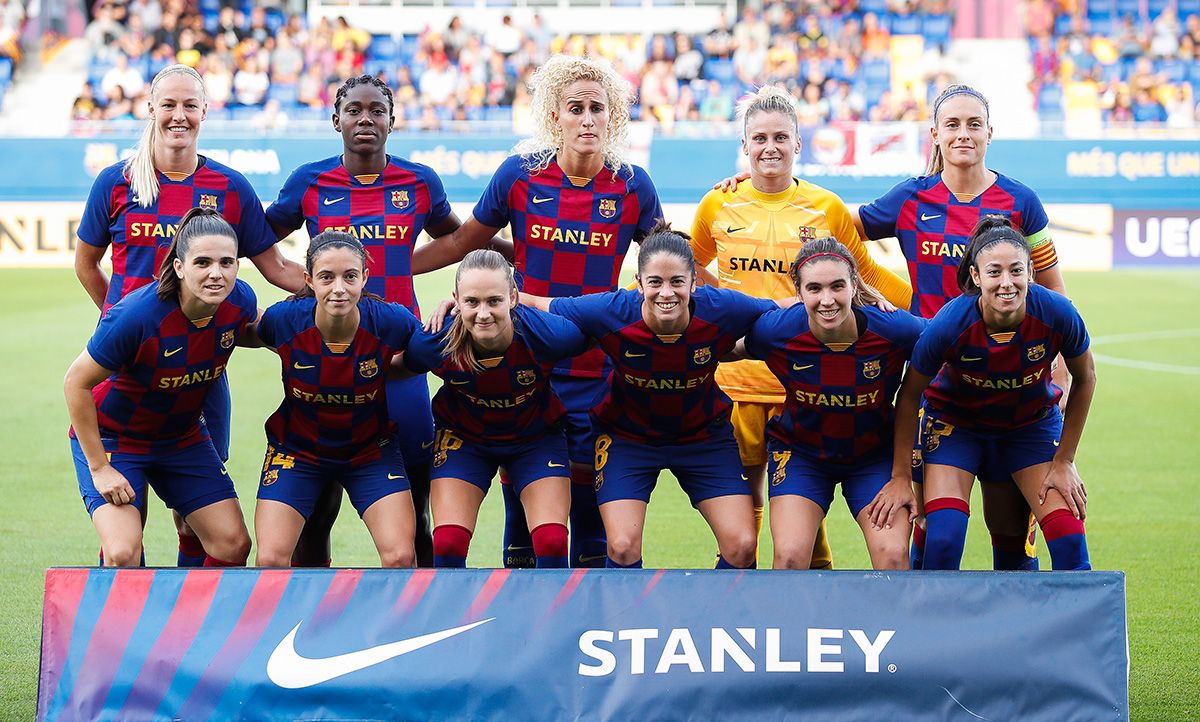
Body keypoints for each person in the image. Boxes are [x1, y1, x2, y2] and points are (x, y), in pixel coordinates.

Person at [413, 55, 663, 569]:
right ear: (556, 116)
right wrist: (389, 272)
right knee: (528, 508)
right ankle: (525, 621)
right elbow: (465, 242)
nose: (588, 118)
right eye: (576, 108)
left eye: (599, 108)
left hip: (599, 370)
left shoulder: (633, 185)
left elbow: (669, 266)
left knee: (592, 507)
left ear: (614, 117)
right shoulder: (520, 176)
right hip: (526, 364)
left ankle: (594, 624)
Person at [75, 64, 303, 567]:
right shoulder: (115, 183)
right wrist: (123, 325)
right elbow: (87, 264)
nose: (179, 115)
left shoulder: (230, 186)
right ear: (151, 109)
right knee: (123, 530)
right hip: (129, 370)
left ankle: (189, 620)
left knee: (195, 519)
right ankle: (119, 623)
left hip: (198, 373)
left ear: (204, 111)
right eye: (169, 105)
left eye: (190, 105)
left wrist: (339, 290)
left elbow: (278, 267)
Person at [694, 85, 913, 569]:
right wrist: (723, 304)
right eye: (758, 138)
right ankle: (741, 582)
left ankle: (813, 580)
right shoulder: (717, 204)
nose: (769, 147)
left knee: (806, 480)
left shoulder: (826, 207)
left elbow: (869, 277)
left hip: (808, 375)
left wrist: (934, 310)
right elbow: (688, 267)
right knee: (746, 496)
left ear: (798, 143)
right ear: (744, 145)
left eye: (780, 137)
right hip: (741, 379)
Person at [854, 83, 1071, 571]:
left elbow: (1054, 291)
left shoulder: (1021, 202)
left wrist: (1058, 363)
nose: (963, 134)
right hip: (938, 387)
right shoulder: (911, 198)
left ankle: (1014, 635)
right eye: (952, 125)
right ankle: (927, 636)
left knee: (1011, 532)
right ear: (934, 134)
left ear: (990, 132)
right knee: (936, 531)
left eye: (974, 124)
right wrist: (879, 291)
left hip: (1014, 387)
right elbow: (841, 230)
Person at [266, 74, 466, 568]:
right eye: (354, 110)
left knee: (416, 506)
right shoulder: (309, 181)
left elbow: (456, 239)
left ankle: (418, 615)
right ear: (336, 120)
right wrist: (300, 281)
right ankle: (313, 621)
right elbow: (256, 239)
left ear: (392, 122)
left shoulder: (420, 181)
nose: (365, 119)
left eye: (377, 110)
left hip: (401, 360)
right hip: (329, 355)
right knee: (319, 507)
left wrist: (510, 256)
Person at [522, 224, 778, 569]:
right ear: (639, 283)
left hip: (704, 438)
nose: (666, 293)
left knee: (743, 546)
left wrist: (856, 298)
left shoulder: (724, 308)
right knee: (623, 547)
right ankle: (626, 620)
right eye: (655, 282)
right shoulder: (611, 309)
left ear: (694, 282)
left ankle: (716, 617)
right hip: (628, 439)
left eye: (677, 282)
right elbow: (538, 303)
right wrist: (463, 299)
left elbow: (785, 305)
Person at [873, 216, 1095, 571]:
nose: (1006, 283)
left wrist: (1065, 460)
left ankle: (1041, 625)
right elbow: (910, 393)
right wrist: (902, 475)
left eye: (1016, 271)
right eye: (994, 272)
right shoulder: (950, 323)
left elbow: (1087, 377)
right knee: (943, 539)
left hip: (1029, 429)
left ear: (1030, 273)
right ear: (976, 277)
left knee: (1068, 538)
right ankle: (924, 618)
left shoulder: (1058, 313)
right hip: (956, 428)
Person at [64, 208, 257, 568]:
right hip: (115, 438)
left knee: (233, 546)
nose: (216, 273)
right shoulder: (137, 315)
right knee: (123, 552)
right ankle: (122, 614)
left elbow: (266, 332)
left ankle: (193, 616)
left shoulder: (239, 302)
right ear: (180, 267)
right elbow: (76, 382)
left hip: (180, 438)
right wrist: (100, 468)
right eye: (202, 262)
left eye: (226, 262)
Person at [738, 238, 924, 569]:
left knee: (893, 557)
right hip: (802, 454)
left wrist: (902, 476)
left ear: (854, 285)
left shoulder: (896, 330)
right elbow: (719, 348)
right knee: (790, 557)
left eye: (837, 286)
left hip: (873, 458)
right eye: (814, 288)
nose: (827, 300)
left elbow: (950, 347)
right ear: (799, 291)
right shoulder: (776, 331)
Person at [404, 250, 591, 569]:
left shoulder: (548, 333)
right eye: (472, 302)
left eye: (494, 301)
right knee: (448, 544)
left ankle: (551, 617)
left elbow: (604, 325)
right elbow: (397, 365)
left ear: (514, 297)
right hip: (465, 441)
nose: (483, 313)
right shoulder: (435, 341)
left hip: (536, 439)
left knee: (552, 543)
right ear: (455, 300)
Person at [252, 232, 420, 568]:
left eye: (350, 276)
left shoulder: (391, 320)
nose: (339, 288)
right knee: (270, 559)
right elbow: (236, 333)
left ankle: (398, 621)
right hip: (296, 451)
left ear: (365, 278)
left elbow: (434, 346)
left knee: (401, 557)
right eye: (326, 277)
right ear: (309, 280)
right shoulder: (283, 319)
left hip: (370, 452)